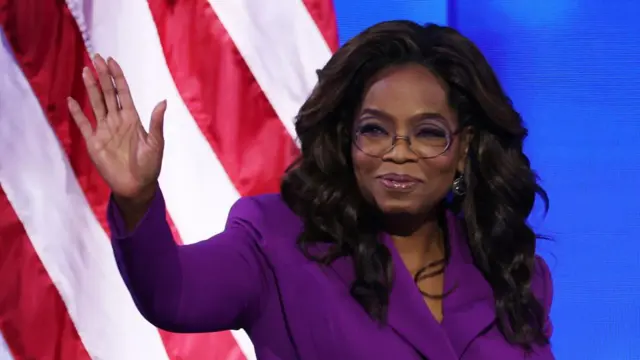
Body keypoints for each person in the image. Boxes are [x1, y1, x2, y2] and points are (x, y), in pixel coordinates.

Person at [68, 21, 554, 359]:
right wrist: (137, 200)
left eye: (428, 132)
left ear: (464, 148)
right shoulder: (276, 242)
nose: (398, 152)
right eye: (375, 130)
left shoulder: (512, 270)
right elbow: (171, 294)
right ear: (347, 140)